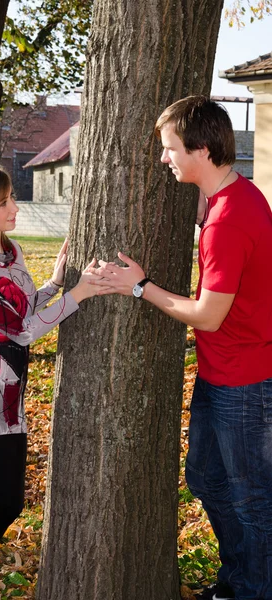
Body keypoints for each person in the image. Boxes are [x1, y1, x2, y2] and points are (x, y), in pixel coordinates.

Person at [94, 96, 272, 600]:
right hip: (222, 375)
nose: (164, 158)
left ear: (200, 148)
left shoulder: (229, 218)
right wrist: (203, 210)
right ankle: (242, 580)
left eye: (170, 148)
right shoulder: (230, 199)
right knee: (206, 480)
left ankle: (255, 590)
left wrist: (138, 285)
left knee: (253, 503)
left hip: (248, 383)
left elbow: (207, 314)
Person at [0, 161, 107, 600]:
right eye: (5, 200)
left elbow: (25, 308)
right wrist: (81, 292)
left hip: (8, 396)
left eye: (12, 197)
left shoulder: (11, 253)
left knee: (9, 502)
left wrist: (55, 282)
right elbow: (24, 331)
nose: (15, 206)